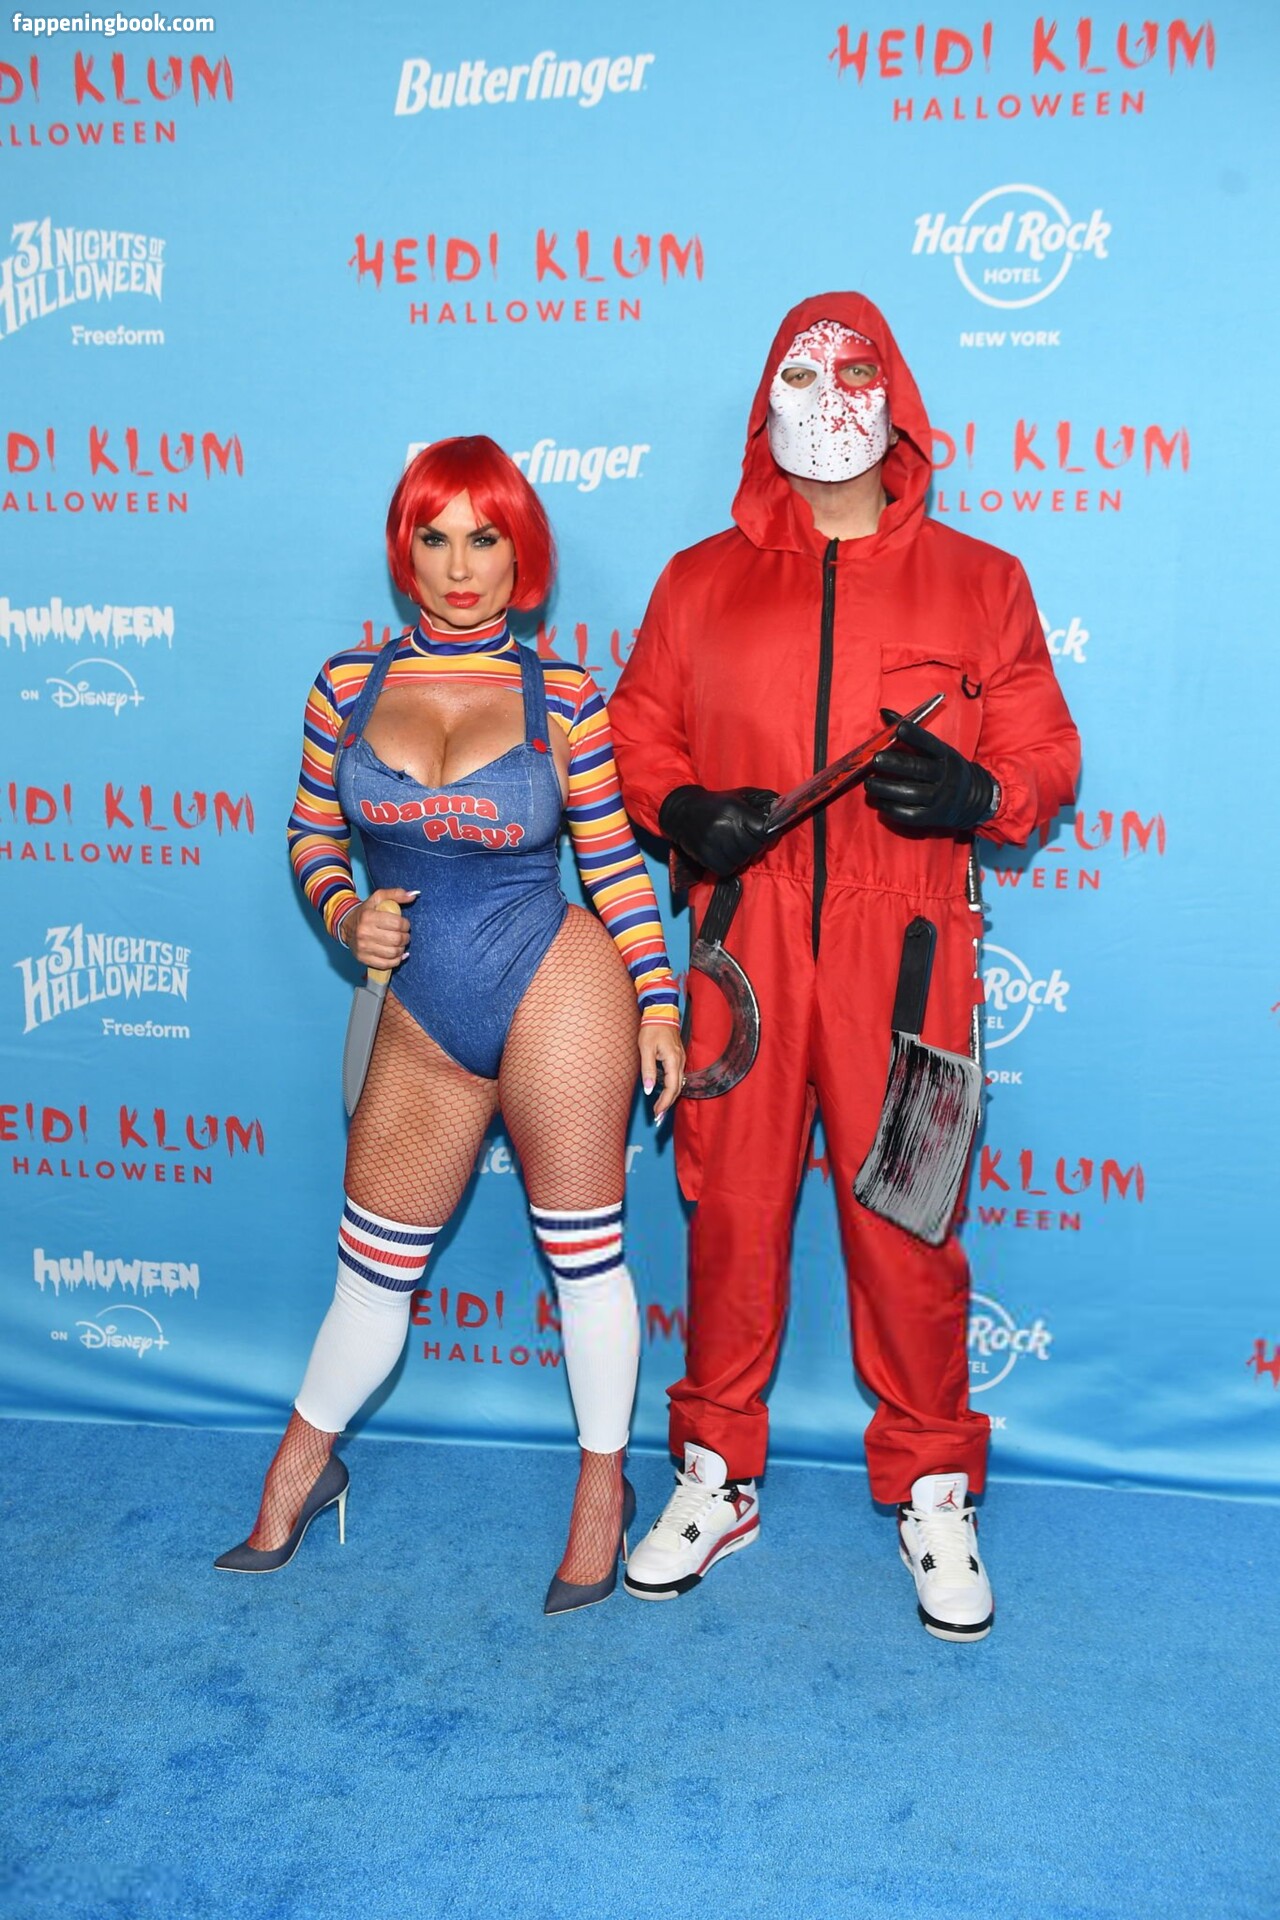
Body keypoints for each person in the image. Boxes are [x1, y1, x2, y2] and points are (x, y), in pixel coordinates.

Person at [608, 293, 1080, 1639]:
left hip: (910, 952)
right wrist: (678, 809)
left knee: (910, 1217)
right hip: (743, 954)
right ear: (763, 404)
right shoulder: (698, 581)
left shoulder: (981, 581)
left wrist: (986, 793)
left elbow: (1048, 747)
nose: (830, 397)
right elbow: (638, 730)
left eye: (855, 370)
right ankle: (715, 1474)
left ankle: (934, 1487)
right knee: (731, 1211)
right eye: (801, 374)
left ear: (900, 398)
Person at [215, 434, 684, 1613]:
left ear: (522, 555)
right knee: (370, 1272)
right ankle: (299, 1471)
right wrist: (344, 913)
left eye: (484, 539)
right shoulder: (345, 684)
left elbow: (611, 867)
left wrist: (659, 1000)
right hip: (419, 1007)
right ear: (403, 551)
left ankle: (600, 1491)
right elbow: (311, 834)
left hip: (553, 981)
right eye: (434, 538)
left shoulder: (562, 693)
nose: (459, 567)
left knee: (584, 1260)